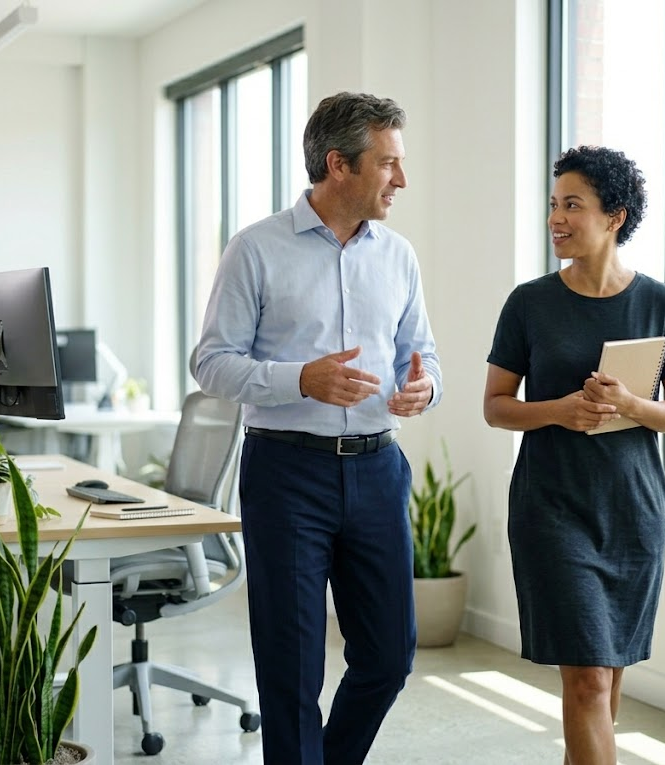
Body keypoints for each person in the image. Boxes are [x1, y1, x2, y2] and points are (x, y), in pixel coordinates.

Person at [194, 91, 441, 765]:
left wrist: (424, 386)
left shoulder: (399, 256)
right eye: (389, 163)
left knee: (389, 657)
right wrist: (299, 379)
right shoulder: (255, 249)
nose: (401, 180)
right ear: (340, 165)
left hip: (376, 468)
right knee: (291, 670)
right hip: (286, 473)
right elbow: (209, 363)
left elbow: (423, 354)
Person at [483, 145, 665, 765]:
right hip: (552, 507)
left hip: (633, 511)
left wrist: (631, 403)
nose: (556, 217)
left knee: (608, 675)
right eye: (553, 204)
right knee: (587, 680)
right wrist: (558, 408)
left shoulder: (662, 302)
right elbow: (496, 406)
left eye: (571, 205)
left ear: (614, 216)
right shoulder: (528, 303)